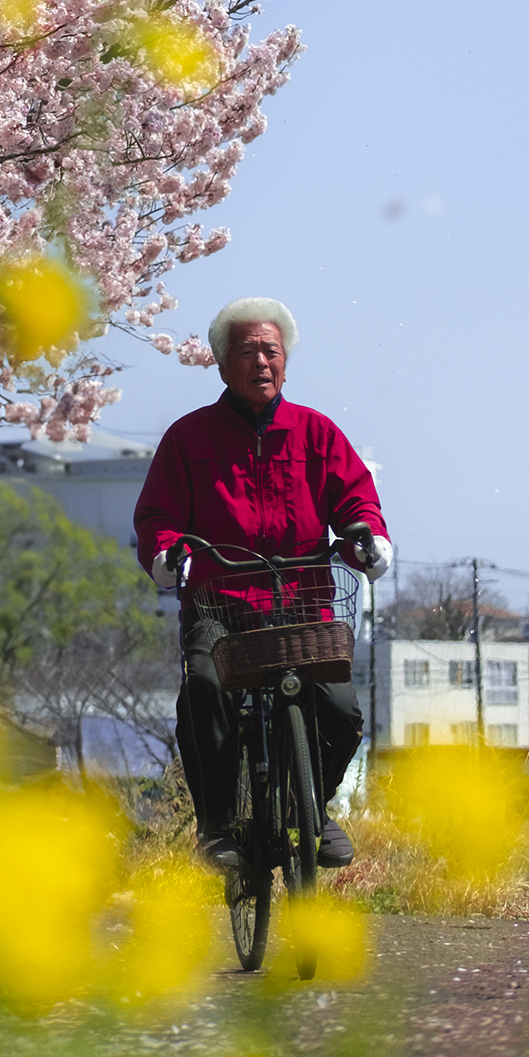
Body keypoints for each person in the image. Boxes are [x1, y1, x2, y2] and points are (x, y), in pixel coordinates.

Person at [133, 295, 392, 872]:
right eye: (247, 351)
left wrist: (366, 539)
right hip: (219, 605)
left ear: (286, 362)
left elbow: (357, 500)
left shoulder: (317, 433)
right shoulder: (189, 438)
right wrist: (169, 552)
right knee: (204, 691)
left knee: (340, 711)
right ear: (222, 365)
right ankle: (216, 826)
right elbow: (157, 517)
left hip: (301, 603)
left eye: (271, 351)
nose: (261, 362)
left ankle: (312, 807)